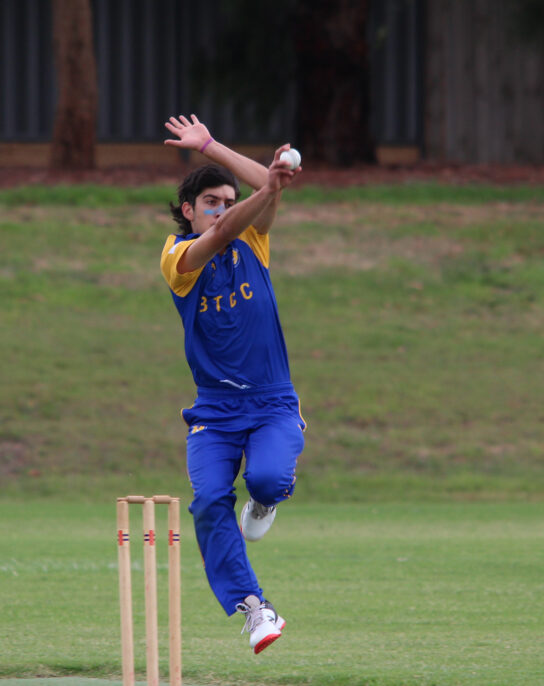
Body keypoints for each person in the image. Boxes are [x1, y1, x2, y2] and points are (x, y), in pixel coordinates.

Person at [160, 114, 306, 654]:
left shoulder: (256, 242)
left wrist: (216, 147)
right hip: (215, 412)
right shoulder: (177, 259)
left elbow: (256, 202)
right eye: (210, 202)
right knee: (208, 502)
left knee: (267, 481)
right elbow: (221, 232)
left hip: (271, 403)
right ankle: (254, 609)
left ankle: (266, 502)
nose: (221, 209)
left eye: (227, 199)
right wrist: (266, 188)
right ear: (187, 211)